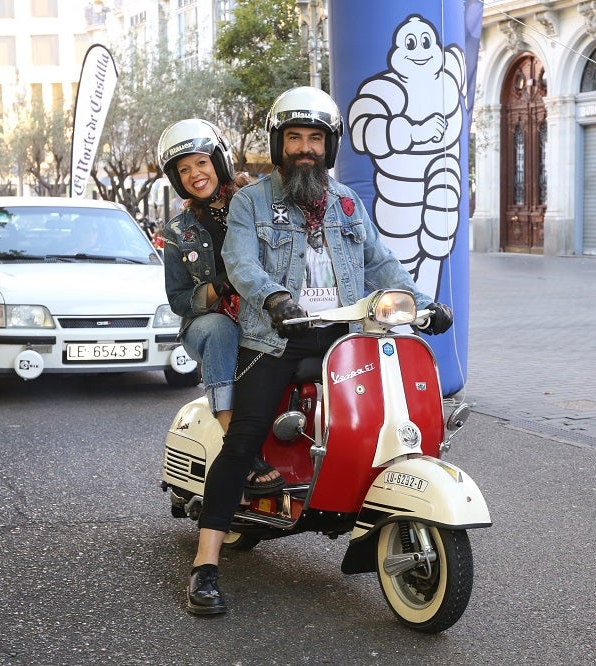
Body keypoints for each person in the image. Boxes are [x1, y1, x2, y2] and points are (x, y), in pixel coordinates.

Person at [185, 87, 454, 616]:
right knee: (242, 442)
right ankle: (205, 565)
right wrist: (275, 297)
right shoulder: (251, 201)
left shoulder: (350, 204)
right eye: (294, 137)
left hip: (345, 332)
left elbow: (383, 267)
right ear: (279, 144)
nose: (304, 148)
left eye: (314, 138)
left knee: (385, 412)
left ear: (328, 147)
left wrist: (426, 304)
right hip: (276, 334)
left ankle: (360, 497)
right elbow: (240, 262)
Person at [157, 119, 282, 494]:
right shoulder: (178, 232)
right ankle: (239, 447)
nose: (195, 174)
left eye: (201, 163)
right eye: (184, 169)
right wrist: (218, 286)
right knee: (218, 328)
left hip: (261, 315)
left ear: (218, 160)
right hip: (206, 326)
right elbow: (180, 301)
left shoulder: (255, 201)